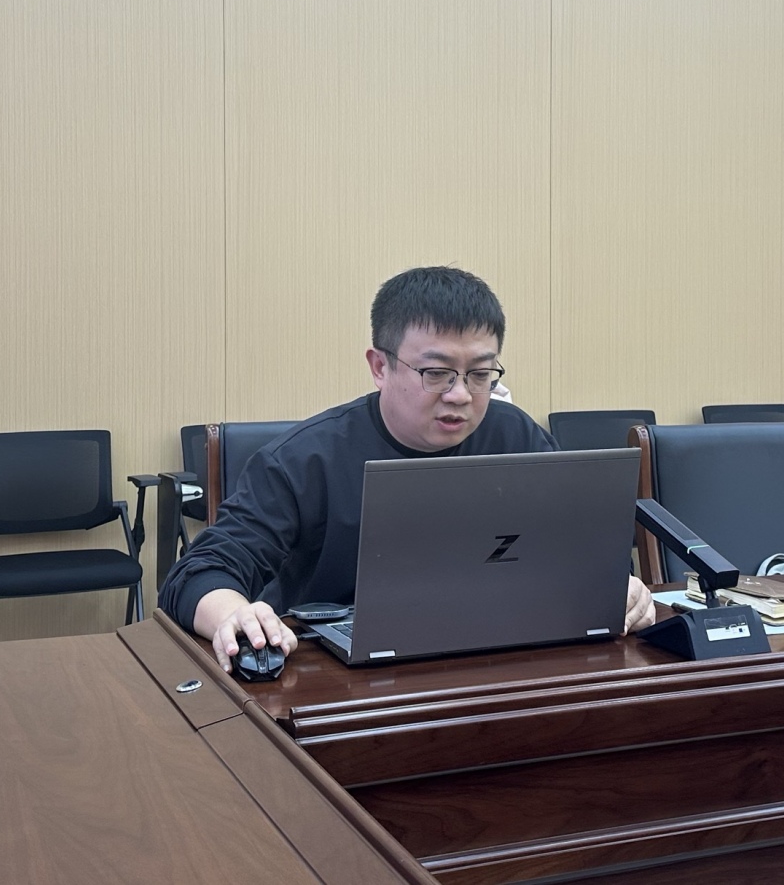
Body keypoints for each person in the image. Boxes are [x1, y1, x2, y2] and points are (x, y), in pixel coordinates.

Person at [159, 266, 655, 672]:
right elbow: (200, 573)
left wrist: (618, 587)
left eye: (480, 374)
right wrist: (235, 614)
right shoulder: (302, 460)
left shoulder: (516, 436)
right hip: (340, 680)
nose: (460, 394)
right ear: (380, 366)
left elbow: (578, 551)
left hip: (498, 659)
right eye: (436, 373)